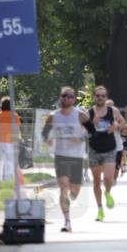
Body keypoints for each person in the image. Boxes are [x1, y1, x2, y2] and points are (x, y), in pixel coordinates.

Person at [41, 87, 90, 232]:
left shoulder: (80, 116)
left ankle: (72, 196)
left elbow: (92, 132)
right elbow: (44, 133)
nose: (66, 99)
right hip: (61, 155)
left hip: (76, 156)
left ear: (73, 99)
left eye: (69, 96)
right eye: (63, 96)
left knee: (74, 191)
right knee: (63, 187)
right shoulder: (53, 116)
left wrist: (80, 138)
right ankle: (67, 221)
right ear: (60, 98)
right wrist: (47, 140)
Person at [86, 86, 124, 222]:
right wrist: (91, 124)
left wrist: (116, 127)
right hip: (94, 149)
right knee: (96, 182)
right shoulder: (89, 112)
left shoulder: (112, 111)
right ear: (94, 97)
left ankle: (107, 193)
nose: (100, 98)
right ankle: (100, 209)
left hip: (109, 148)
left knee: (108, 178)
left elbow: (123, 123)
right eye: (98, 95)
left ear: (106, 97)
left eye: (103, 96)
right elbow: (82, 130)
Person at [0, 97, 21, 182]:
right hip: (10, 141)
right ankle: (7, 180)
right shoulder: (15, 115)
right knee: (9, 161)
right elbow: (17, 129)